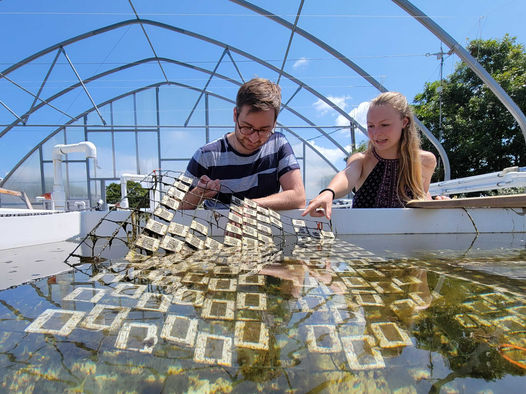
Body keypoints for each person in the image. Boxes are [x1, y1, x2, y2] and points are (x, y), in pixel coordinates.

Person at [303, 91, 440, 220]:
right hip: (363, 241)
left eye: (384, 125)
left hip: (408, 242)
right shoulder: (362, 160)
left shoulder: (425, 161)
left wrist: (439, 205)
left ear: (404, 122)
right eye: (371, 126)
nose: (376, 133)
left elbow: (422, 194)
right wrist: (328, 192)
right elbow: (347, 175)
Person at [180, 78, 305, 210]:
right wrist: (199, 193)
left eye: (264, 130)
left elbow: (298, 197)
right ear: (235, 115)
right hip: (217, 230)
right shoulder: (207, 155)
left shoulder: (277, 144)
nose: (254, 138)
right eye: (246, 127)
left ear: (274, 123)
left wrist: (247, 208)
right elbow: (174, 208)